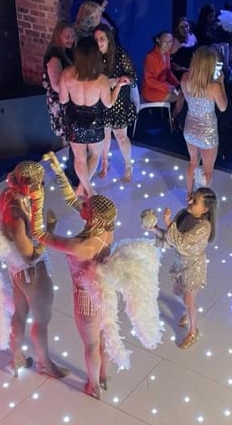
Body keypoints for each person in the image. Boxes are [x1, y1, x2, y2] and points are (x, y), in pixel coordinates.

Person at [42, 154, 163, 399]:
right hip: (103, 294)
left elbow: (41, 237)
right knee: (102, 338)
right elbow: (73, 200)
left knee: (91, 344)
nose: (81, 204)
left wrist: (47, 221)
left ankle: (94, 385)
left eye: (86, 206)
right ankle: (103, 375)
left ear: (92, 217)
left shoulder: (80, 246)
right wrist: (58, 171)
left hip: (86, 299)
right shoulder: (106, 229)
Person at [0, 161, 67, 379]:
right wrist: (50, 229)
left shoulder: (8, 193)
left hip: (16, 269)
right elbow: (30, 257)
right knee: (42, 320)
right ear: (27, 185)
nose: (41, 187)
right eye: (37, 184)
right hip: (32, 272)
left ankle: (17, 358)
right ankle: (45, 363)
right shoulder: (17, 216)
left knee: (20, 312)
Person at [59, 36, 129, 198]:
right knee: (95, 155)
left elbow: (63, 100)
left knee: (79, 159)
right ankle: (88, 190)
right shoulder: (101, 79)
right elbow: (108, 104)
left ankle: (82, 188)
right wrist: (118, 86)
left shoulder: (67, 74)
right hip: (94, 122)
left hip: (75, 121)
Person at [161, 187, 217, 349]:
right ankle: (187, 310)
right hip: (181, 261)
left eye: (195, 201)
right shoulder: (184, 214)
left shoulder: (203, 227)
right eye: (191, 198)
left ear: (205, 209)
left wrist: (168, 223)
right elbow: (171, 239)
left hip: (193, 266)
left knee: (188, 300)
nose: (189, 202)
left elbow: (181, 241)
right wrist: (155, 228)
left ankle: (193, 331)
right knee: (177, 291)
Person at [181, 46, 228, 195]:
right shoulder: (214, 87)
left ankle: (189, 195)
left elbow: (187, 99)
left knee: (193, 162)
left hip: (190, 128)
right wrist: (221, 83)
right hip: (207, 133)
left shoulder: (185, 78)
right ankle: (201, 201)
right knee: (207, 171)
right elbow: (223, 107)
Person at [94, 24, 137, 182]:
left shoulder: (120, 54)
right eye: (96, 39)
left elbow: (133, 77)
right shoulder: (93, 56)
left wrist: (119, 81)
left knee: (121, 136)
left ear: (108, 39)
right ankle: (105, 162)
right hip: (102, 100)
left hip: (119, 101)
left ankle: (128, 165)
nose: (99, 42)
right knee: (104, 135)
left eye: (102, 39)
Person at [42, 21, 76, 143]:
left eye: (72, 36)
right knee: (69, 136)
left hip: (67, 99)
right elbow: (56, 86)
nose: (70, 39)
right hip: (60, 101)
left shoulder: (68, 51)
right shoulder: (54, 57)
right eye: (67, 36)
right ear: (58, 36)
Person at [141, 31, 184, 122]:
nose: (168, 44)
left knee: (183, 93)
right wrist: (167, 87)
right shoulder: (150, 57)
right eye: (165, 41)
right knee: (180, 97)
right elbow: (149, 80)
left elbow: (168, 72)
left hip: (161, 88)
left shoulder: (167, 53)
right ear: (159, 40)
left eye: (170, 41)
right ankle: (172, 119)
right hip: (150, 91)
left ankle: (173, 119)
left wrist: (178, 84)